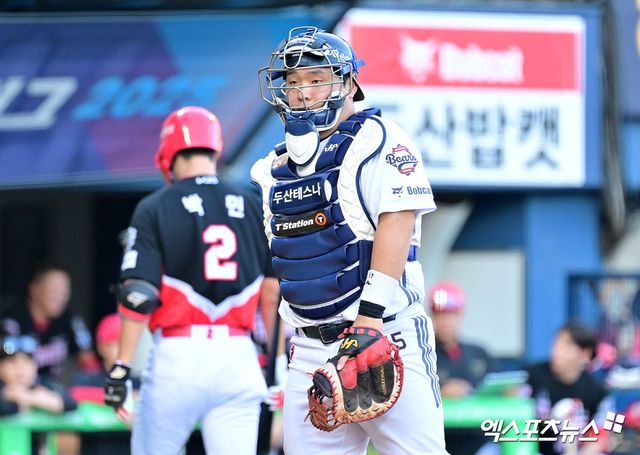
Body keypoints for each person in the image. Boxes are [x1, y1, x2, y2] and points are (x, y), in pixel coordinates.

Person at [251, 26, 447, 454]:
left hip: (384, 334)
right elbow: (287, 263)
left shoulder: (379, 138)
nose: (302, 92)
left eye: (316, 79)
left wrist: (370, 319)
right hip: (309, 348)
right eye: (293, 81)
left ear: (348, 83)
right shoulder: (271, 170)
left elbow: (398, 223)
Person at [104, 106, 279, 455]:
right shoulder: (253, 202)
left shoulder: (156, 205)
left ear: (168, 153)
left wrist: (121, 368)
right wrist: (279, 368)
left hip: (179, 355)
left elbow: (138, 294)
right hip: (238, 355)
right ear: (215, 148)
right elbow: (273, 292)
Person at [429, 282, 496, 455]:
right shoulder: (424, 354)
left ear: (460, 316)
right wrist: (441, 392)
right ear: (432, 317)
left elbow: (498, 385)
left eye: (451, 315)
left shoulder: (479, 353)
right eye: (440, 315)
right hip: (439, 442)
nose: (446, 322)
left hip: (479, 441)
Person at [526, 321, 611, 455]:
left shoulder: (597, 392)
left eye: (567, 346)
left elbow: (600, 437)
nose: (557, 351)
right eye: (556, 343)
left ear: (585, 354)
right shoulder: (532, 376)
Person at [0, 263, 96, 381]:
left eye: (64, 292)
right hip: (16, 383)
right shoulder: (13, 318)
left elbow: (88, 359)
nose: (59, 297)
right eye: (54, 290)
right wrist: (15, 353)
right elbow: (6, 350)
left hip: (53, 385)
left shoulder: (70, 320)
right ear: (34, 289)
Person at [0, 333, 78, 455]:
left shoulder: (43, 385)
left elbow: (71, 403)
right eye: (12, 362)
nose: (20, 369)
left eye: (26, 362)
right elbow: (6, 409)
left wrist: (28, 398)